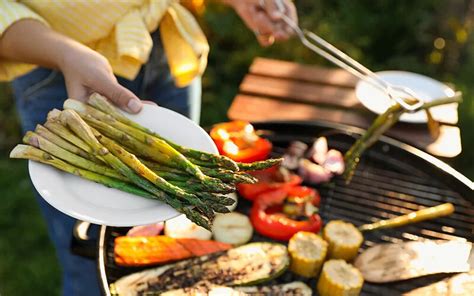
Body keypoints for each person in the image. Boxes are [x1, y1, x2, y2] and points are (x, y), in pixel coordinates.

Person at [0, 0, 297, 294]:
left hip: (162, 40)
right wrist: (64, 54)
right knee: (85, 259)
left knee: (167, 216)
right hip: (49, 59)